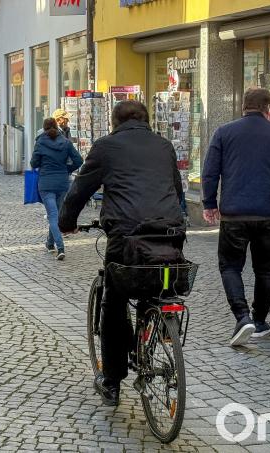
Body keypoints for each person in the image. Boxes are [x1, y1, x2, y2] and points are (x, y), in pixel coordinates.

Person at [58, 100, 184, 406]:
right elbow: (177, 191)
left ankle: (111, 381)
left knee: (114, 302)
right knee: (158, 286)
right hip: (169, 234)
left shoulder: (106, 147)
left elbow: (80, 190)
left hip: (126, 237)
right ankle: (158, 332)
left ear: (114, 122)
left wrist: (66, 223)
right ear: (147, 120)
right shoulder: (165, 146)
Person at [201, 87, 270, 347]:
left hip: (234, 214)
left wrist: (209, 203)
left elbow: (210, 172)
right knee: (265, 269)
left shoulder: (224, 132)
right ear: (268, 108)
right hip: (269, 214)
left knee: (230, 266)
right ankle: (260, 321)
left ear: (243, 106)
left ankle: (242, 317)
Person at [31, 118, 83, 260]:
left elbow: (33, 162)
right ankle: (49, 243)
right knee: (56, 215)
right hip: (62, 183)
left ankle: (60, 247)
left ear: (44, 128)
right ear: (57, 127)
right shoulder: (66, 142)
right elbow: (79, 160)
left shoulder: (40, 142)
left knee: (53, 216)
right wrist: (67, 169)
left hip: (46, 183)